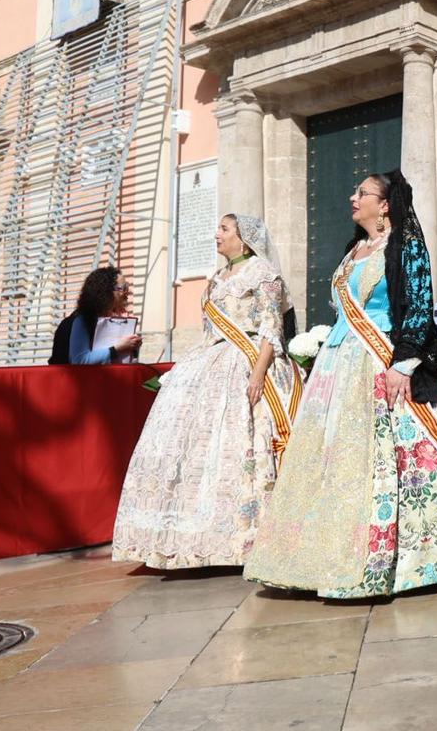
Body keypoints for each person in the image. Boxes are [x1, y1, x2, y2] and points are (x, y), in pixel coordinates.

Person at [246, 171, 437, 598]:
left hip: (381, 363)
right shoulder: (354, 250)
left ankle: (404, 561)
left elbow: (419, 306)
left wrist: (403, 365)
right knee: (328, 458)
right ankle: (313, 558)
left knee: (389, 460)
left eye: (363, 193)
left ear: (385, 205)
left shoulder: (404, 245)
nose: (353, 198)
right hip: (337, 365)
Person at [111, 214, 301, 569]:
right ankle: (185, 539)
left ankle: (244, 538)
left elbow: (271, 330)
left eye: (224, 230)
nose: (217, 234)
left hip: (248, 362)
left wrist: (258, 375)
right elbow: (208, 330)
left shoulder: (263, 274)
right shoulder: (216, 279)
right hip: (211, 362)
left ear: (243, 239)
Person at [48, 268, 143, 365]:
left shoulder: (108, 320)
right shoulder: (82, 320)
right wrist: (118, 348)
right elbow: (80, 361)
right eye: (124, 287)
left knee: (154, 379)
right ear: (106, 291)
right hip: (75, 379)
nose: (128, 292)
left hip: (103, 378)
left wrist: (132, 348)